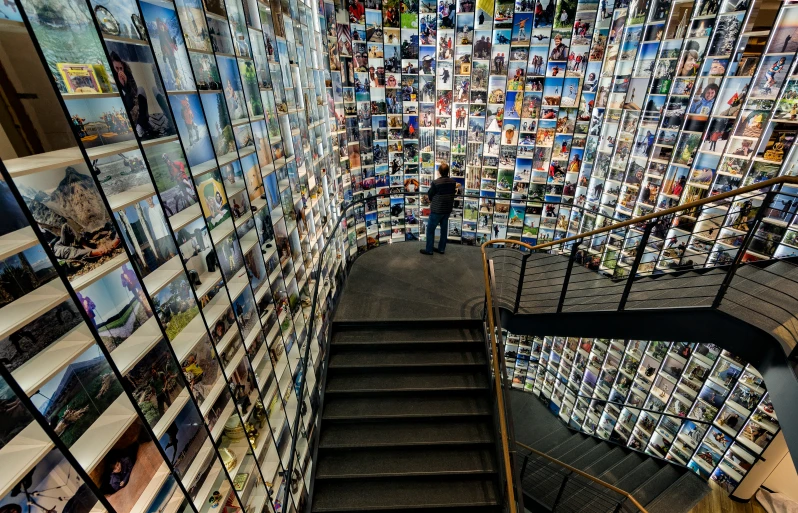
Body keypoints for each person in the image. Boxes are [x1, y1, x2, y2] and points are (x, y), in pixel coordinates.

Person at [421, 163, 457, 255]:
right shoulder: (453, 182)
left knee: (430, 230)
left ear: (440, 172)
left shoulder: (436, 183)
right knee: (444, 230)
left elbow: (430, 194)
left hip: (437, 210)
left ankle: (429, 250)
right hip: (447, 210)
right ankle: (441, 249)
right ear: (448, 171)